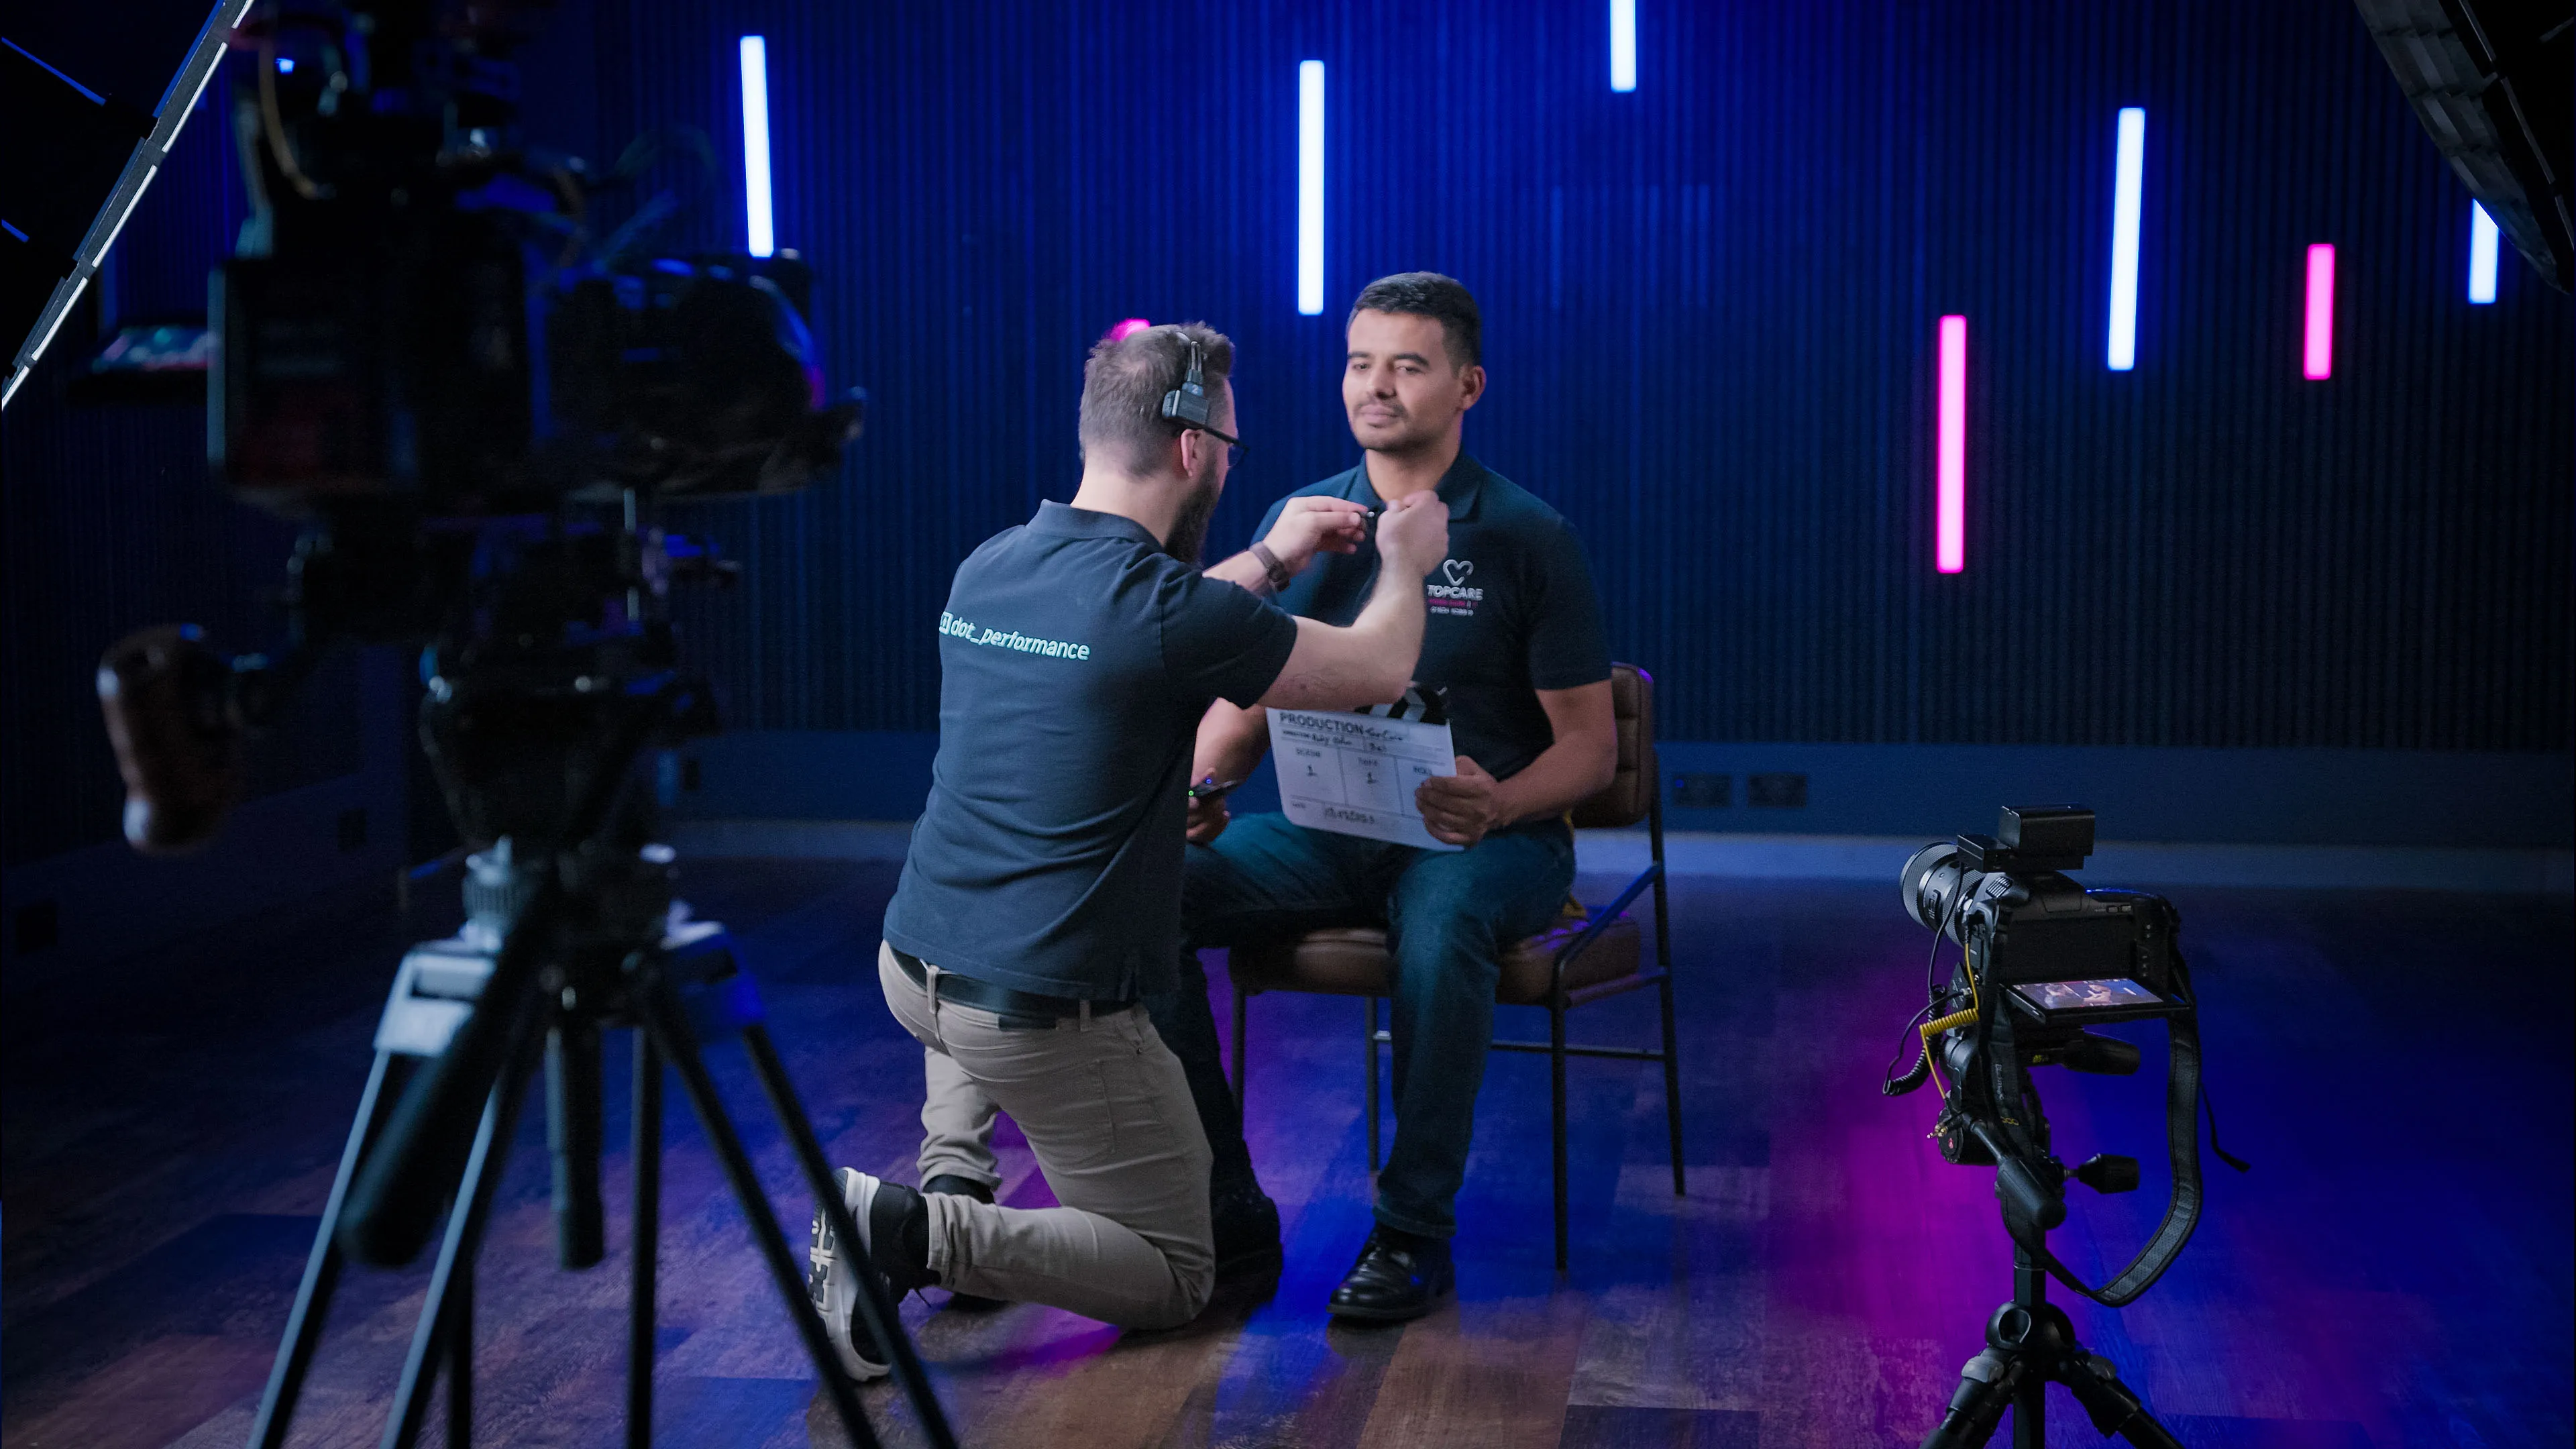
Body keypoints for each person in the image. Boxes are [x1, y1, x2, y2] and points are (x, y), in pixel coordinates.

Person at [806, 321, 1451, 1379]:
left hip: (912, 962)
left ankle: (951, 1179)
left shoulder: (993, 567)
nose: (1231, 464)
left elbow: (1157, 627)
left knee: (971, 986)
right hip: (1037, 1007)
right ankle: (913, 1232)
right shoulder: (1166, 611)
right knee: (1171, 1270)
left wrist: (1277, 553)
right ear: (1195, 451)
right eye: (1231, 448)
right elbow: (1376, 660)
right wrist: (1405, 561)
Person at [1164, 272, 1618, 1321]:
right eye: (1361, 362)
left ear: (1468, 385)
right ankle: (1226, 1205)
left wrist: (1497, 804)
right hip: (1332, 834)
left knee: (1442, 920)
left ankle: (1412, 1235)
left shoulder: (1525, 535)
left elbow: (1590, 752)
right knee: (1151, 888)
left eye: (1408, 366)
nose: (1377, 386)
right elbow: (1249, 706)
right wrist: (1198, 783)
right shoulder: (1306, 521)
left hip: (1484, 842)